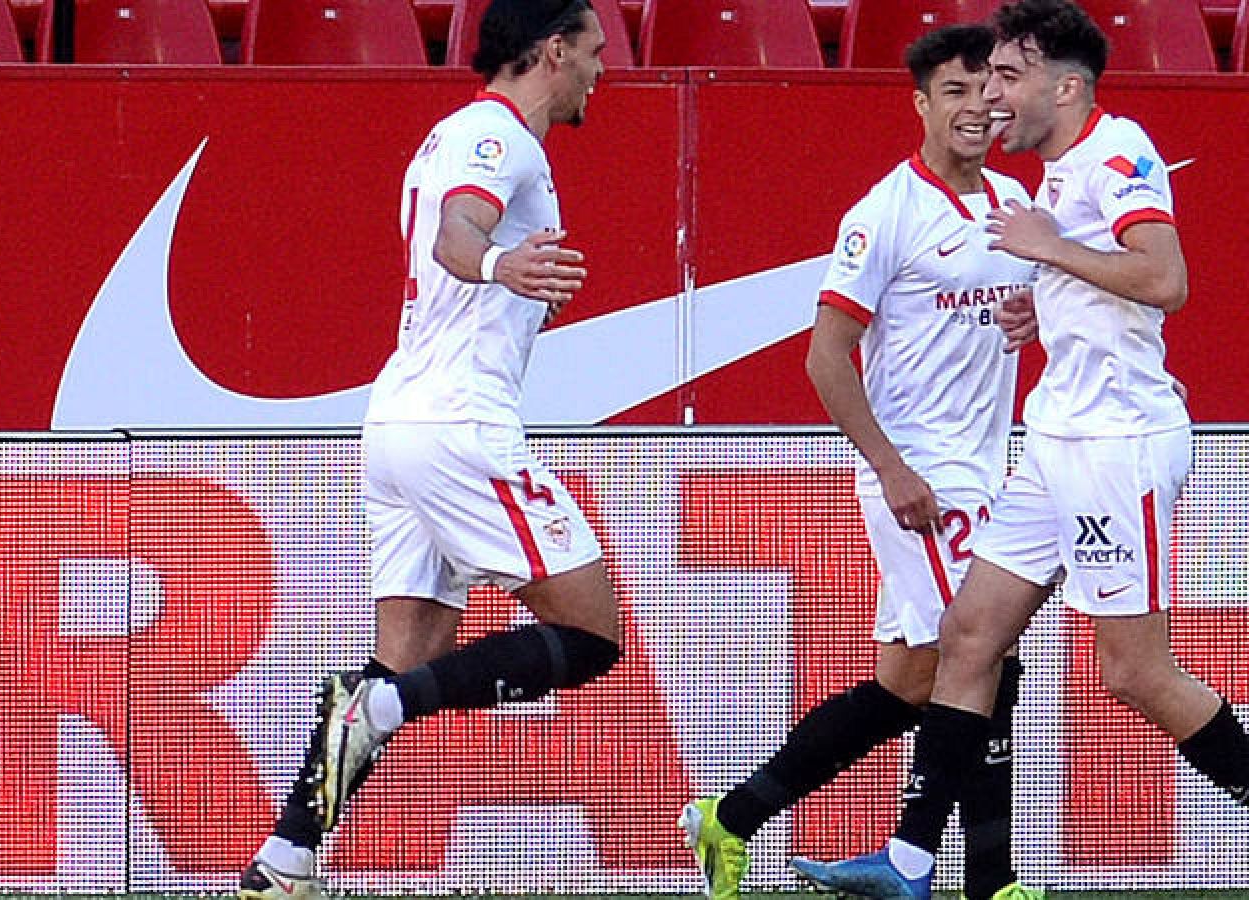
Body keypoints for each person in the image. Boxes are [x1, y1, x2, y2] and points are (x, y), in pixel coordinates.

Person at [790, 2, 1249, 900]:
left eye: (1009, 77)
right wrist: (1041, 301)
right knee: (969, 634)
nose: (993, 98)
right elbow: (1098, 285)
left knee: (1132, 670)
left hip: (1114, 446)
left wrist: (1051, 252)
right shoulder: (1051, 176)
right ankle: (909, 863)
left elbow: (1164, 277)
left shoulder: (1117, 152)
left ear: (1066, 86)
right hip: (1053, 438)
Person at [238, 2, 617, 897]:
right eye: (594, 52)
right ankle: (383, 707)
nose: (603, 70)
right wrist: (501, 267)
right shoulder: (499, 136)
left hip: (400, 420)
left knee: (407, 652)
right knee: (591, 631)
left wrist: (514, 286)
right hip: (459, 424)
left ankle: (287, 859)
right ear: (553, 50)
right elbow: (457, 234)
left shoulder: (454, 135)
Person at [679, 25, 1043, 900]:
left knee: (911, 681)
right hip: (922, 478)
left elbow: (1027, 309)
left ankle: (731, 817)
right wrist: (889, 468)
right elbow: (826, 355)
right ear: (920, 104)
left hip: (984, 469)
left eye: (986, 90)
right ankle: (990, 882)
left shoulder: (1011, 202)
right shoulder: (884, 215)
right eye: (953, 92)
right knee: (985, 656)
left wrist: (1036, 316)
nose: (975, 108)